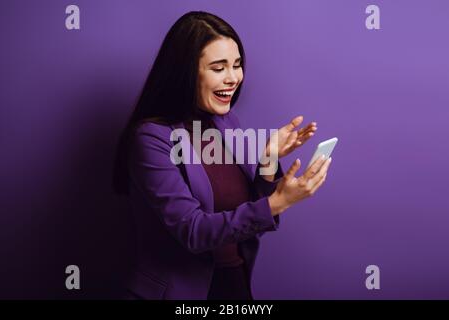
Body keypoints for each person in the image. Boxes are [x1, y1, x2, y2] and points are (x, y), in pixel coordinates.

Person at [113, 11, 332, 300]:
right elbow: (194, 231)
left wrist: (268, 160)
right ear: (186, 72)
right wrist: (279, 202)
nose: (233, 78)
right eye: (219, 68)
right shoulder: (151, 140)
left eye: (237, 65)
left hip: (234, 284)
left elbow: (244, 215)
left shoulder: (226, 123)